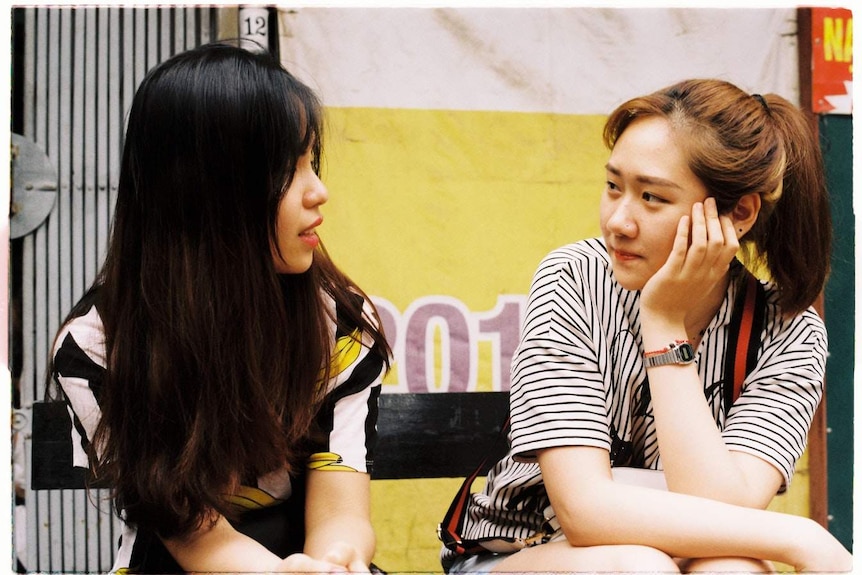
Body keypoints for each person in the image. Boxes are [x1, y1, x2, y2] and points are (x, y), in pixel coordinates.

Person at [441, 79, 852, 573]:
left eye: (652, 197)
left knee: (734, 569)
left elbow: (723, 512)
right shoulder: (574, 276)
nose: (618, 220)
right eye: (614, 186)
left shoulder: (790, 332)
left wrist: (663, 327)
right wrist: (800, 537)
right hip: (517, 555)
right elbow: (584, 510)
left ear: (738, 213)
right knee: (639, 568)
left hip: (679, 551)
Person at [48, 41, 391, 573]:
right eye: (288, 169)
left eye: (313, 162)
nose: (319, 191)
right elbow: (196, 538)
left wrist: (335, 561)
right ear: (206, 192)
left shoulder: (341, 324)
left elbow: (342, 510)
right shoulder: (97, 348)